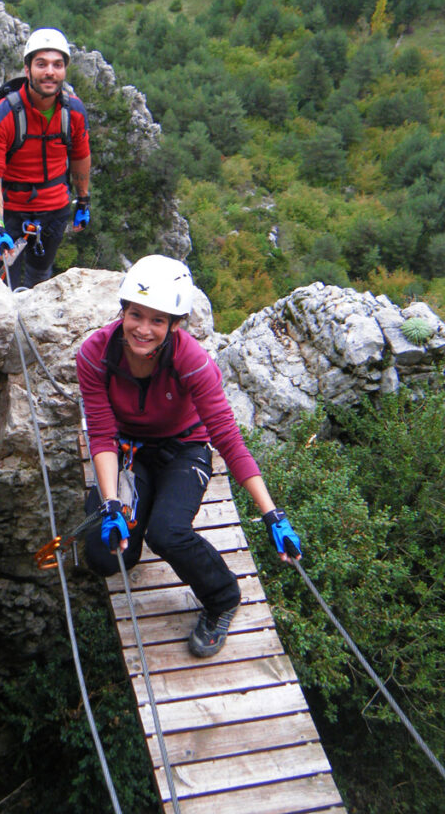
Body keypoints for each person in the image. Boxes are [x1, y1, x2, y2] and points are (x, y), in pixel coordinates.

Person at [76, 254, 302, 658]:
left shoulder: (191, 360)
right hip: (131, 451)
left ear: (175, 325)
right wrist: (111, 503)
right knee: (105, 558)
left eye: (158, 320)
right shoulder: (95, 354)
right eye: (136, 315)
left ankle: (223, 598)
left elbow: (228, 439)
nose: (143, 329)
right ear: (122, 312)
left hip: (185, 449)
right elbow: (101, 431)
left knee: (168, 533)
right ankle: (130, 514)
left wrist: (272, 514)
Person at [0, 28, 91, 288]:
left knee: (40, 278)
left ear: (64, 71)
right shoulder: (2, 115)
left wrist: (83, 200)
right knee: (1, 286)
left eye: (57, 65)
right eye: (41, 64)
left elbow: (80, 155)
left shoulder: (73, 112)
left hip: (54, 210)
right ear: (27, 70)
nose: (50, 71)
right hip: (11, 213)